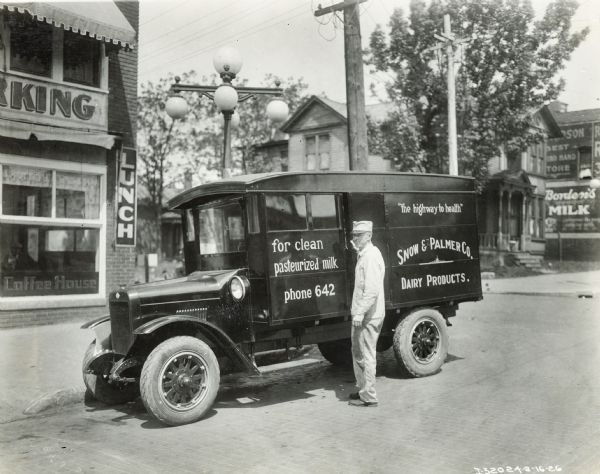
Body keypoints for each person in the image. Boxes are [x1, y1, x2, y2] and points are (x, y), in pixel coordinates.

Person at [348, 220, 385, 407]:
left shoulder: (370, 256)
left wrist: (360, 313)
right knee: (359, 353)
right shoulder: (364, 254)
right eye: (354, 234)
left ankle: (369, 397)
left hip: (368, 315)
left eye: (359, 235)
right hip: (365, 314)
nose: (355, 238)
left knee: (367, 354)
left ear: (369, 235)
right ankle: (363, 389)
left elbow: (371, 290)